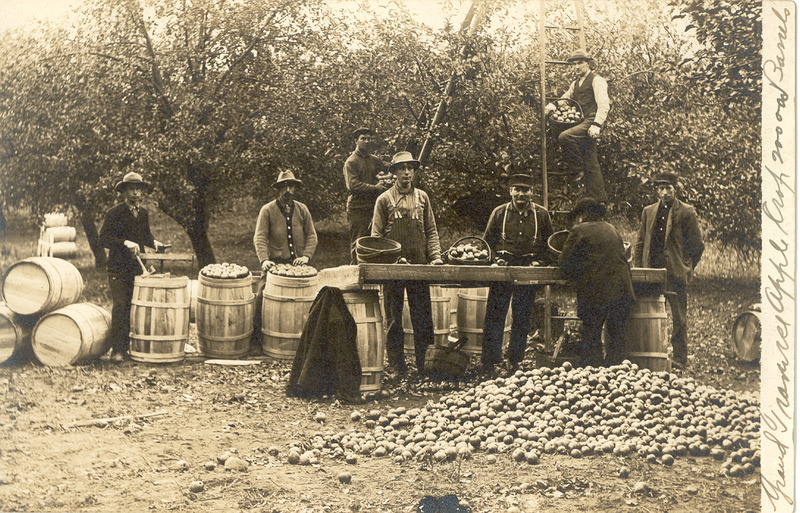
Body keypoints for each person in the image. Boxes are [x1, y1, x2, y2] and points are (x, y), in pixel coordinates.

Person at [371, 151, 443, 377]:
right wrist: (391, 258)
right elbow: (376, 238)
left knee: (423, 316)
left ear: (414, 171)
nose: (406, 172)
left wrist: (436, 256)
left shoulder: (423, 198)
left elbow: (431, 230)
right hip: (393, 268)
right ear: (393, 173)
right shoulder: (383, 200)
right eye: (401, 168)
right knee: (393, 317)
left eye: (410, 168)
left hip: (419, 265)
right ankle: (396, 365)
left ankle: (425, 365)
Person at [481, 173, 553, 375]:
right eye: (517, 189)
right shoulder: (499, 213)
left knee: (522, 317)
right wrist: (496, 259)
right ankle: (489, 362)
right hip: (503, 269)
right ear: (510, 191)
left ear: (532, 192)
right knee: (495, 315)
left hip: (528, 269)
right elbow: (486, 243)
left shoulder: (541, 214)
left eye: (525, 190)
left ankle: (515, 360)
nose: (521, 194)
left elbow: (549, 245)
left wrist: (540, 261)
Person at [634, 172, 704, 371]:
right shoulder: (648, 211)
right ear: (656, 190)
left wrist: (687, 267)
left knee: (679, 318)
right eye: (661, 188)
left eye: (668, 188)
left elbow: (697, 246)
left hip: (675, 274)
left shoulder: (686, 212)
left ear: (675, 189)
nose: (664, 193)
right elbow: (640, 243)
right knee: (649, 313)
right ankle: (652, 355)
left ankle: (679, 360)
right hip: (651, 273)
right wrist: (640, 270)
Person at [559, 197, 636, 367]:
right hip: (622, 290)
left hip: (596, 293)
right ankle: (616, 376)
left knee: (592, 337)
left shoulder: (579, 230)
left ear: (582, 216)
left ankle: (593, 376)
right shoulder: (611, 228)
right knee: (617, 338)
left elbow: (565, 265)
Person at [99, 172, 167, 362]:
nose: (136, 193)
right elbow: (103, 239)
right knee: (120, 306)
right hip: (118, 269)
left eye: (139, 189)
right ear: (124, 192)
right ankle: (117, 350)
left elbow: (145, 236)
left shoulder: (143, 213)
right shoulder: (114, 213)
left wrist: (156, 243)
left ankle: (129, 347)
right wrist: (124, 243)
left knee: (132, 307)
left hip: (137, 270)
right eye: (132, 189)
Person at [252, 170, 318, 348]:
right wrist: (264, 260)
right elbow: (260, 238)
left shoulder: (302, 209)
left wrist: (305, 256)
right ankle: (257, 341)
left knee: (310, 300)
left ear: (295, 189)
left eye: (291, 187)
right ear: (278, 190)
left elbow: (312, 236)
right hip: (275, 266)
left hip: (298, 265)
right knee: (262, 297)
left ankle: (305, 342)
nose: (287, 191)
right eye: (283, 187)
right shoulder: (267, 210)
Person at [544, 49, 610, 202]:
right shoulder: (576, 83)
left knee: (565, 137)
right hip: (581, 121)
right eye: (574, 64)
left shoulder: (597, 80)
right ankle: (597, 200)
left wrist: (597, 124)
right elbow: (566, 98)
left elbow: (604, 104)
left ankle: (577, 170)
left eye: (580, 63)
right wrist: (553, 106)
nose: (577, 67)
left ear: (588, 63)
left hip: (591, 121)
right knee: (591, 160)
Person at [344, 127, 388, 264]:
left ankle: (371, 277)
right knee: (358, 242)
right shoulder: (351, 162)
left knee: (375, 242)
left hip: (374, 206)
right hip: (358, 208)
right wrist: (376, 188)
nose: (366, 141)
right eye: (363, 138)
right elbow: (353, 186)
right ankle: (354, 274)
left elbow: (386, 175)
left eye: (369, 139)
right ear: (356, 141)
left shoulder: (375, 160)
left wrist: (385, 178)